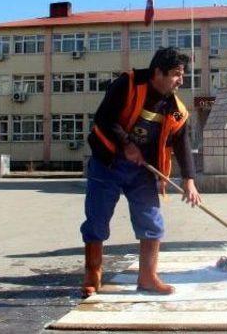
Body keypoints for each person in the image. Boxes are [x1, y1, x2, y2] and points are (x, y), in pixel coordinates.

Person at [80, 47, 201, 297]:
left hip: (143, 171)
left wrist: (189, 180)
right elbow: (104, 118)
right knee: (97, 219)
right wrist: (127, 145)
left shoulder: (176, 108)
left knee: (152, 222)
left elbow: (182, 142)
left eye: (182, 74)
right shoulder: (128, 84)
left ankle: (147, 277)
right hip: (108, 164)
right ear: (158, 72)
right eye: (177, 74)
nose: (181, 80)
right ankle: (93, 275)